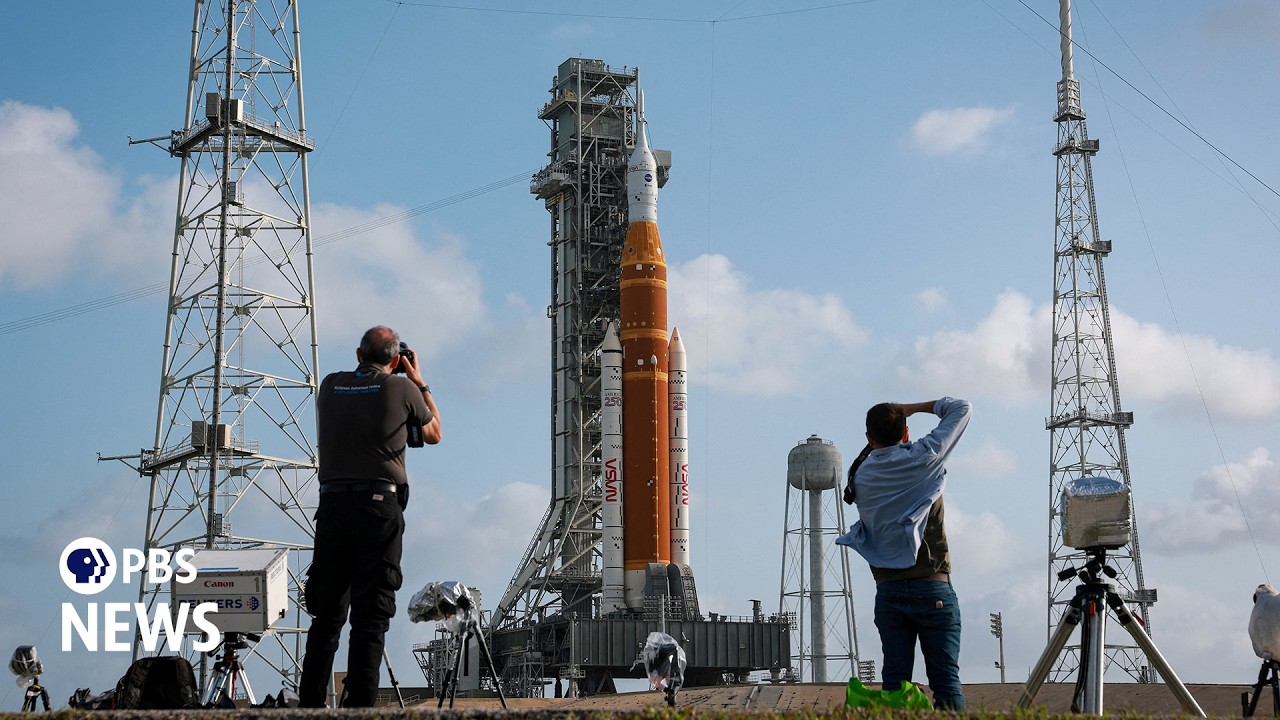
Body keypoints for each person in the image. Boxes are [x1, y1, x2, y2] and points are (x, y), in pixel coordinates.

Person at [299, 325, 442, 708]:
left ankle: (310, 706)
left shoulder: (330, 386)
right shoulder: (402, 388)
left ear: (358, 355)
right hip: (378, 510)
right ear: (396, 360)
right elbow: (433, 434)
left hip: (332, 509)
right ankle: (358, 707)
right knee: (370, 618)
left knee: (326, 618)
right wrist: (418, 378)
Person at [837, 397, 972, 711]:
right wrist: (913, 407)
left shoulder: (862, 476)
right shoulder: (924, 456)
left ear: (869, 439)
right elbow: (961, 408)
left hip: (889, 592)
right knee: (946, 683)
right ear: (907, 433)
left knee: (895, 687)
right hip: (933, 587)